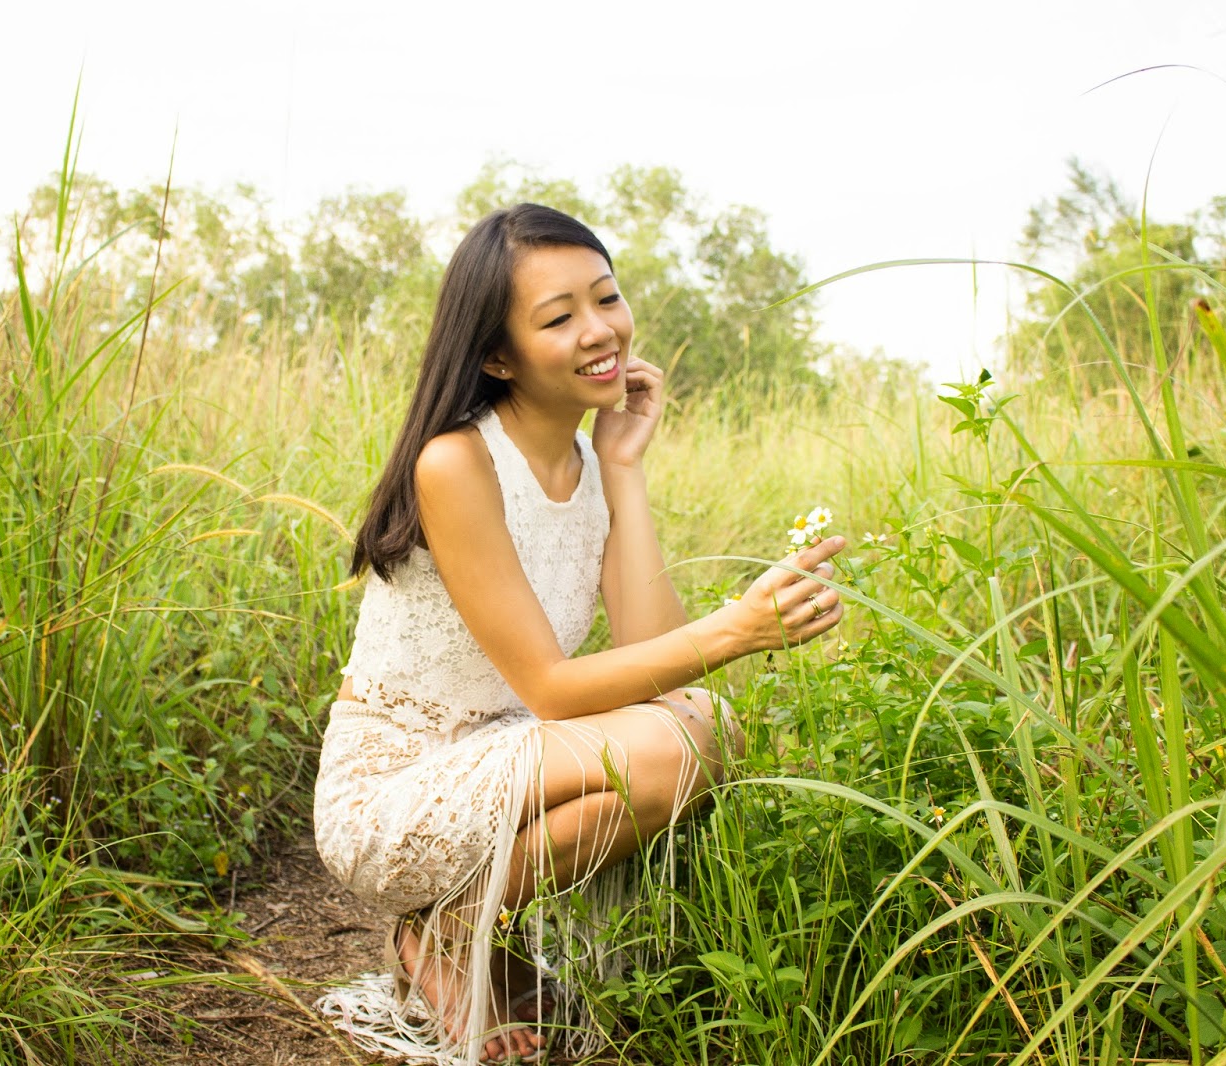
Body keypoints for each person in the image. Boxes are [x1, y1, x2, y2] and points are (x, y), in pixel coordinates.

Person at [312, 203, 846, 1064]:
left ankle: (463, 926)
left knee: (693, 729)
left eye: (606, 298)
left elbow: (657, 666)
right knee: (682, 739)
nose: (600, 331)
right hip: (396, 788)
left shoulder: (591, 463)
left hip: (513, 759)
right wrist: (738, 629)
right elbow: (553, 691)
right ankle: (444, 935)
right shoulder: (457, 461)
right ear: (498, 355)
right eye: (559, 318)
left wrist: (624, 465)